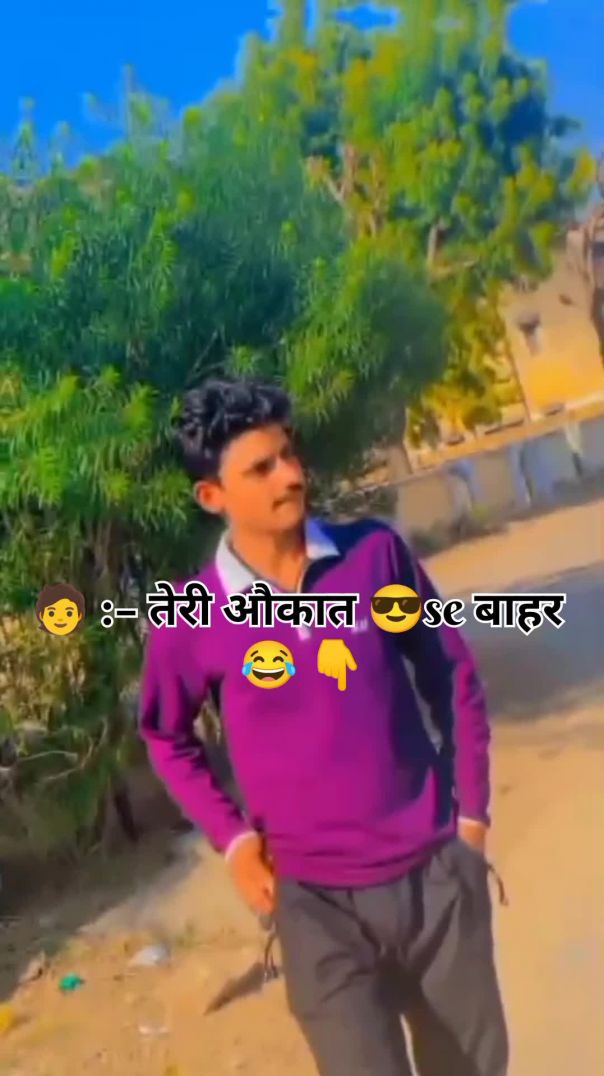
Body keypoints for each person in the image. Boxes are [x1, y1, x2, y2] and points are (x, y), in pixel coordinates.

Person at [139, 376, 508, 1076]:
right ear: (212, 496)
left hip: (435, 878)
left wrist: (470, 823)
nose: (291, 475)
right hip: (313, 906)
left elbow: (450, 675)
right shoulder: (192, 614)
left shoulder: (374, 557)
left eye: (289, 453)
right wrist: (234, 841)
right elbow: (165, 734)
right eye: (261, 468)